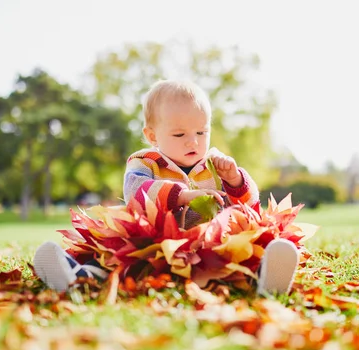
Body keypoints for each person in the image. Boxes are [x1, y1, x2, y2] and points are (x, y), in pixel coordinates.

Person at [33, 79, 299, 294]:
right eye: (180, 134)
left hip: (209, 246)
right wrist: (183, 195)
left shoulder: (216, 164)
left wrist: (235, 180)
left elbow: (249, 207)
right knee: (120, 256)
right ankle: (78, 277)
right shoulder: (145, 162)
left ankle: (265, 278)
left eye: (201, 132)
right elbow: (137, 192)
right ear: (152, 136)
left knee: (240, 250)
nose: (193, 142)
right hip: (157, 245)